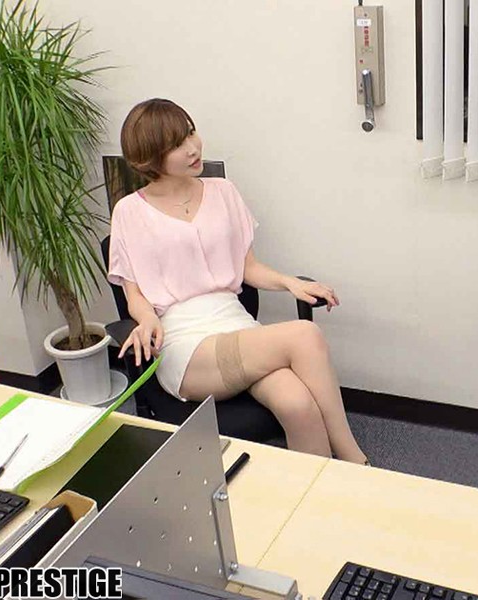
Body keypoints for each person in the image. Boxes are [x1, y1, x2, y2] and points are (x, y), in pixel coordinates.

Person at [108, 98, 368, 464]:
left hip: (235, 325)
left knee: (298, 404)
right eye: (177, 144)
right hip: (184, 342)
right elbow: (133, 293)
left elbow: (248, 268)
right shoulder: (129, 211)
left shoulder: (223, 192)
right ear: (150, 157)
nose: (193, 147)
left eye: (191, 133)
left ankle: (317, 492)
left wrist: (290, 283)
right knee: (305, 335)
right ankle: (356, 461)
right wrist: (147, 319)